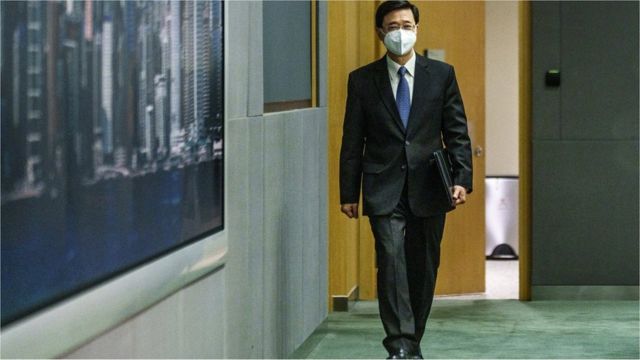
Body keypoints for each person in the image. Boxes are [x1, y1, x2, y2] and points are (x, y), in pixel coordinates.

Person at [339, 1, 473, 358]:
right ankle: (399, 345)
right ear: (381, 32)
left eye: (407, 25)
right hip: (383, 185)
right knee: (391, 259)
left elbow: (456, 131)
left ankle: (412, 342)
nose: (400, 32)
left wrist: (463, 178)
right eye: (393, 26)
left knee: (423, 267)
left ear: (417, 28)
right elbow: (352, 140)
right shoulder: (363, 80)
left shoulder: (441, 75)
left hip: (430, 185)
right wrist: (348, 192)